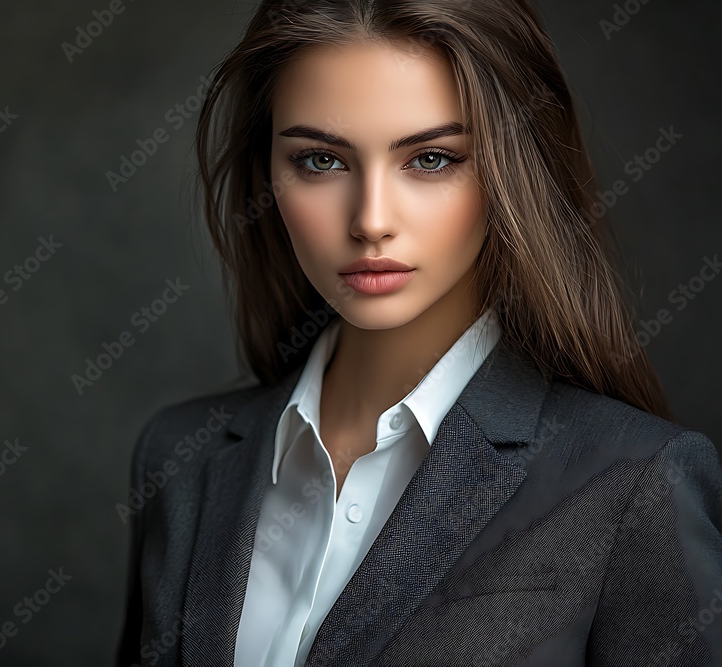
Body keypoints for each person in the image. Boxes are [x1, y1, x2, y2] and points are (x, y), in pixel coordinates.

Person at [116, 0, 722, 665]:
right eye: (321, 160)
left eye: (431, 158)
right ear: (268, 175)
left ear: (510, 174)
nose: (371, 220)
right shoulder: (181, 459)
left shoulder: (636, 479)